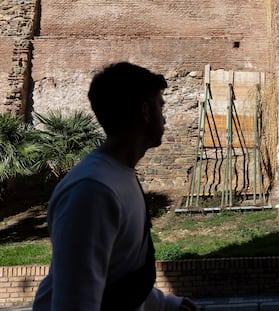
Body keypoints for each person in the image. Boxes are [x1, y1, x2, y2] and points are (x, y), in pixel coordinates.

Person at [33, 62, 199, 311]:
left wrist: (165, 304)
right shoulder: (91, 190)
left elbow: (118, 275)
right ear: (145, 111)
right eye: (160, 106)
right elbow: (76, 302)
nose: (164, 117)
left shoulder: (118, 176)